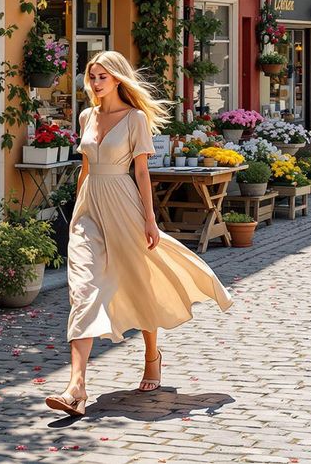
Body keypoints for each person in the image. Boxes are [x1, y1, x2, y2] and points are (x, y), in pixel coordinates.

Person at [46, 51, 233, 417]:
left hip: (124, 204)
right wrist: (74, 215)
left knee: (138, 280)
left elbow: (142, 172)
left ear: (117, 79)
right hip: (89, 209)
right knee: (82, 290)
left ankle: (152, 356)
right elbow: (85, 168)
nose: (96, 82)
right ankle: (76, 387)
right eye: (92, 76)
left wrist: (151, 220)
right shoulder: (86, 116)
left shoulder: (134, 119)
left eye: (102, 76)